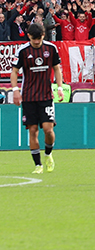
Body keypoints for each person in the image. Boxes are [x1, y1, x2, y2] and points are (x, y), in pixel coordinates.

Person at [11, 23, 64, 174]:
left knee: (48, 130)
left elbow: (57, 69)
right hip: (28, 96)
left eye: (38, 38)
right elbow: (14, 71)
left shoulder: (51, 48)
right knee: (33, 130)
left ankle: (48, 154)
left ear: (43, 36)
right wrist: (15, 90)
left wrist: (59, 87)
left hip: (46, 95)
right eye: (33, 39)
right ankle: (38, 165)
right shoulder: (22, 51)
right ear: (29, 36)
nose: (36, 42)